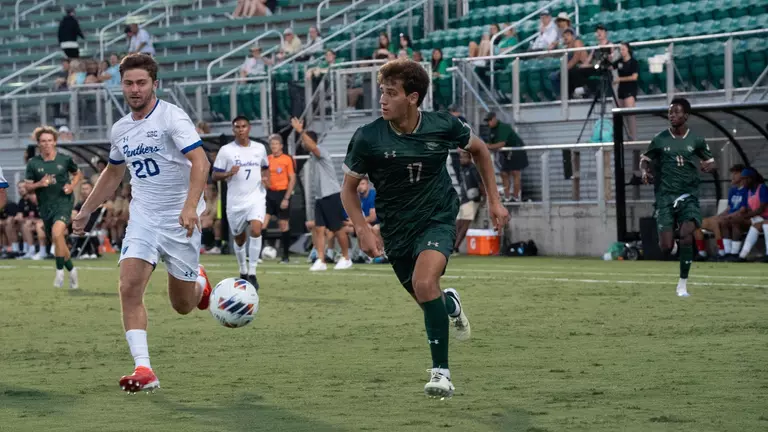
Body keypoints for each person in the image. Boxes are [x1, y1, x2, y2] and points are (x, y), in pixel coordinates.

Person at [341, 59, 509, 398]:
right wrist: (362, 227)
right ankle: (450, 305)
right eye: (382, 93)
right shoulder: (368, 137)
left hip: (437, 216)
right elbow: (348, 189)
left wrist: (494, 200)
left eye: (391, 93)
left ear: (413, 97)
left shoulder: (443, 125)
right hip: (396, 227)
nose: (383, 101)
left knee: (424, 282)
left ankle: (441, 374)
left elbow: (480, 152)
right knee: (425, 296)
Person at [71, 53, 213, 393]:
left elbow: (201, 162)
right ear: (121, 85)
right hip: (144, 218)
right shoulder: (121, 128)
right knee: (128, 286)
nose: (135, 89)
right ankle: (144, 368)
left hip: (181, 221)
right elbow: (114, 173)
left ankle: (199, 286)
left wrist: (191, 206)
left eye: (141, 83)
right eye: (129, 83)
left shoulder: (171, 118)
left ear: (154, 84)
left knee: (182, 306)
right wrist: (87, 210)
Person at [640, 97, 715, 297]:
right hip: (665, 196)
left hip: (688, 195)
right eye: (670, 112)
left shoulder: (696, 139)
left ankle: (682, 284)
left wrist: (709, 165)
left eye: (676, 112)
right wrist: (645, 172)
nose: (672, 115)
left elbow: (710, 160)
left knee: (686, 234)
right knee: (665, 247)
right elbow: (645, 160)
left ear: (686, 115)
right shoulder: (660, 139)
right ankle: (671, 242)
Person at [212, 117, 269, 289]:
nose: (241, 130)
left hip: (256, 197)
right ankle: (243, 270)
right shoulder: (226, 151)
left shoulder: (260, 148)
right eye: (237, 127)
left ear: (249, 128)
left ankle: (252, 272)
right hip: (235, 202)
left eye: (244, 126)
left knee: (257, 228)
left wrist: (266, 179)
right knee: (239, 238)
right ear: (233, 130)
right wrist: (228, 173)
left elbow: (265, 166)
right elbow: (215, 175)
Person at [290, 117, 353, 271]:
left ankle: (346, 258)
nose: (303, 144)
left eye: (305, 141)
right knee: (318, 228)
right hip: (320, 197)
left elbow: (311, 145)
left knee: (338, 228)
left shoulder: (321, 151)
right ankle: (321, 260)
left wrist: (300, 131)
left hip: (331, 195)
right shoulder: (312, 156)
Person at [24, 126, 83, 288]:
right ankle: (71, 270)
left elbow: (78, 174)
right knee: (58, 240)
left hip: (63, 203)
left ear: (55, 142)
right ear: (38, 144)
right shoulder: (33, 163)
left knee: (58, 233)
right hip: (45, 207)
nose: (47, 144)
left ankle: (59, 273)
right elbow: (27, 187)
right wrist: (40, 184)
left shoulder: (64, 159)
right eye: (43, 141)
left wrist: (71, 186)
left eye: (50, 141)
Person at [693, 164, 747, 260]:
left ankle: (723, 252)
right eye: (732, 173)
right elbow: (730, 207)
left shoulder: (747, 190)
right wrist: (719, 215)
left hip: (739, 218)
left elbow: (743, 209)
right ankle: (702, 252)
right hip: (729, 216)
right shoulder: (733, 190)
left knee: (717, 222)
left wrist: (726, 216)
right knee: (697, 223)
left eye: (736, 173)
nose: (733, 176)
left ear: (743, 175)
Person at [264, 134, 296, 264]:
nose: (274, 147)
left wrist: (286, 198)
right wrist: (264, 182)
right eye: (272, 144)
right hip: (270, 194)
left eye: (276, 144)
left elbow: (292, 179)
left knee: (283, 225)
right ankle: (259, 254)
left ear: (281, 146)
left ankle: (285, 256)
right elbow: (265, 177)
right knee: (262, 223)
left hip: (283, 194)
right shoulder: (267, 159)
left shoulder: (287, 159)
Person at [733, 168, 768, 262]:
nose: (742, 182)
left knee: (766, 225)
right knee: (754, 227)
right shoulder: (748, 191)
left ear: (751, 179)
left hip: (765, 218)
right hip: (759, 219)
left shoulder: (762, 188)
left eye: (744, 179)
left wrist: (746, 216)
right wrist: (741, 215)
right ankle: (742, 256)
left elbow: (761, 209)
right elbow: (749, 207)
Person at [453, 150, 484, 254]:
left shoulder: (473, 169)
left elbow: (480, 184)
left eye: (464, 157)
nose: (462, 159)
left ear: (469, 158)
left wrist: (484, 198)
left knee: (464, 223)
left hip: (471, 199)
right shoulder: (462, 168)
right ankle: (453, 245)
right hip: (464, 199)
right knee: (458, 224)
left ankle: (456, 247)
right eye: (461, 157)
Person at [612, 42, 639, 140]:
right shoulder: (619, 62)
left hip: (630, 89)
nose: (622, 51)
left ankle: (633, 137)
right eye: (620, 50)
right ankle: (624, 136)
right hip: (621, 90)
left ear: (628, 50)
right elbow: (611, 66)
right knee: (620, 115)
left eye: (623, 49)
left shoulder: (633, 62)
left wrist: (620, 79)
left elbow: (634, 77)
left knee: (630, 115)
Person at [15, 182, 47, 260]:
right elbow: (23, 217)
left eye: (32, 195)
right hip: (36, 224)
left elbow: (46, 217)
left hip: (48, 224)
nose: (31, 197)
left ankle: (43, 252)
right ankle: (30, 250)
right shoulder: (26, 202)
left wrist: (34, 221)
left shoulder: (43, 201)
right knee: (25, 225)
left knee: (39, 225)